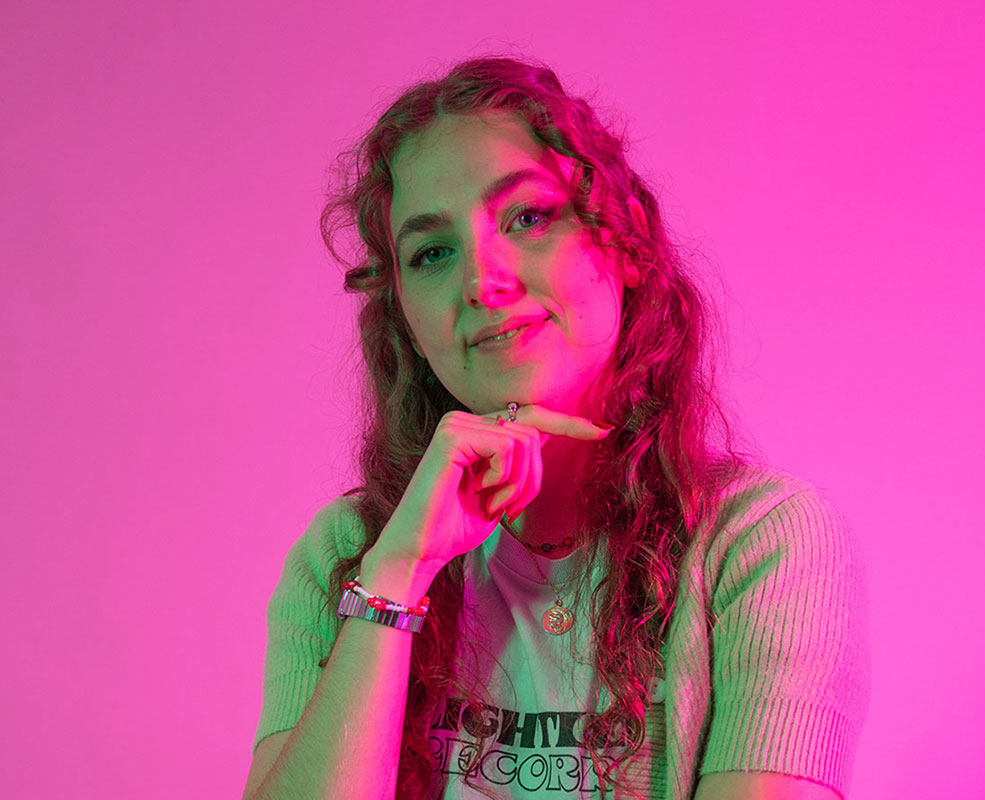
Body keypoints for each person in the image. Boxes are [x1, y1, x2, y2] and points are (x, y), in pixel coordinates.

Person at [242, 56, 870, 800]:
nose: (482, 280)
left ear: (624, 242)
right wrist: (398, 574)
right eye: (433, 252)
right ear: (405, 320)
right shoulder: (344, 556)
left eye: (528, 217)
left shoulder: (760, 544)